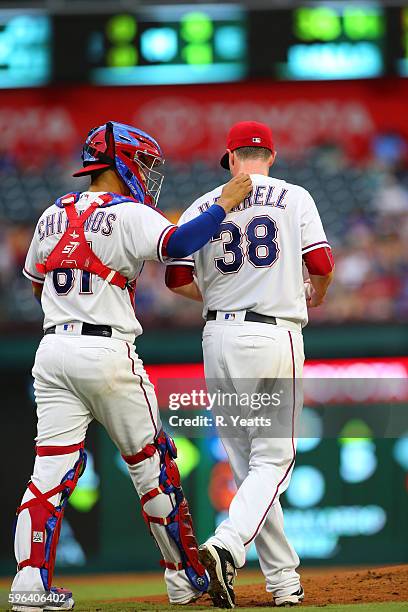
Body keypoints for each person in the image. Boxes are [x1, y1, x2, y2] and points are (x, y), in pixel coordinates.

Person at [11, 121, 252, 612]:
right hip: (106, 351)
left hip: (51, 352)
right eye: (141, 162)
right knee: (153, 468)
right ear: (119, 163)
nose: (146, 172)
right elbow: (179, 245)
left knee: (49, 473)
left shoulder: (51, 214)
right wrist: (225, 204)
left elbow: (38, 285)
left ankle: (28, 586)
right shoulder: (129, 212)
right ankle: (185, 580)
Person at [166, 121, 334, 608]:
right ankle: (225, 547)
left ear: (231, 157)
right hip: (272, 332)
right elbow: (321, 265)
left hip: (217, 336)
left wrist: (218, 297)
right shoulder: (294, 195)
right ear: (272, 157)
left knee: (249, 467)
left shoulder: (203, 205)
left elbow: (176, 277)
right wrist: (313, 295)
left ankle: (283, 581)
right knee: (274, 461)